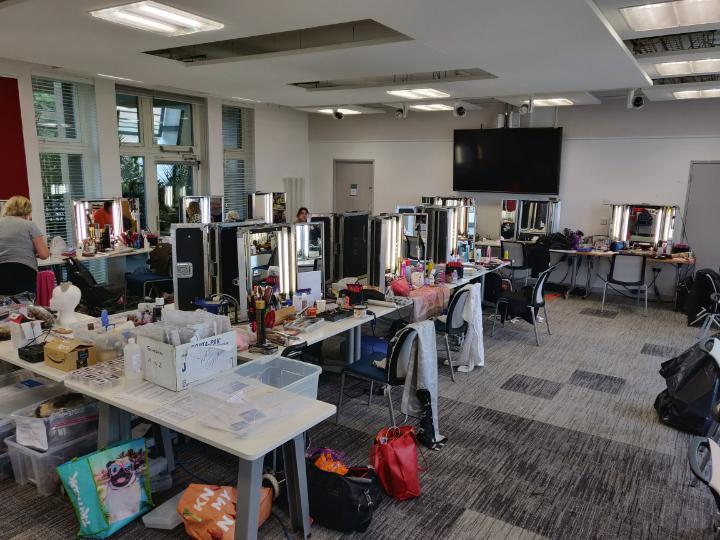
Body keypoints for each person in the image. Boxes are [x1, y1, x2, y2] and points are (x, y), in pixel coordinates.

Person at [0, 195, 50, 294]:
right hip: (24, 271)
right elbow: (44, 255)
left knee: (5, 307)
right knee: (27, 306)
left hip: (1, 272)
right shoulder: (29, 225)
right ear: (27, 209)